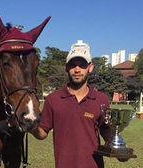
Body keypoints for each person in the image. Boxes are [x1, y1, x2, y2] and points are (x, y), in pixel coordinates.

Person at [31, 40, 114, 168]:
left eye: (82, 65)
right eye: (72, 65)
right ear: (66, 67)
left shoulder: (101, 99)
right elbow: (42, 133)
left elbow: (106, 130)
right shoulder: (53, 99)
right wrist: (30, 126)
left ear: (90, 67)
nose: (77, 70)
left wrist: (117, 148)